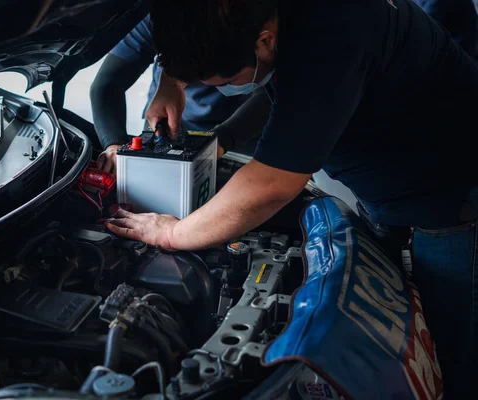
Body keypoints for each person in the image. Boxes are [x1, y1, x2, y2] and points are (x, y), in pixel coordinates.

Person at [105, 0, 478, 397]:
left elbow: (272, 186)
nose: (222, 91)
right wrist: (182, 92)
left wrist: (172, 233)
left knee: (446, 355)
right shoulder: (285, 17)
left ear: (264, 42)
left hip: (453, 201)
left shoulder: (331, 34)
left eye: (220, 84)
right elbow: (287, 98)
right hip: (390, 188)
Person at [90, 14, 271, 174]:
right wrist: (115, 146)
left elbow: (275, 99)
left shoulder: (267, 26)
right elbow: (106, 85)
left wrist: (222, 139)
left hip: (246, 138)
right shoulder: (159, 19)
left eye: (228, 82)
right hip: (165, 128)